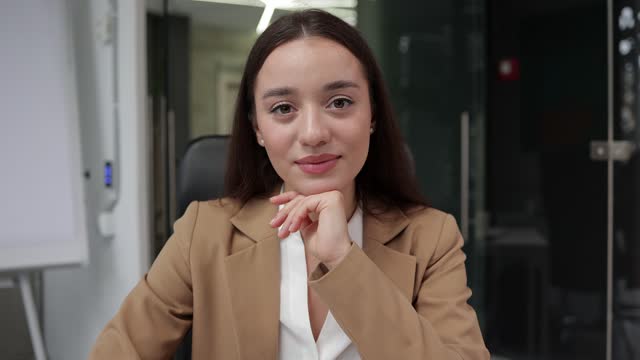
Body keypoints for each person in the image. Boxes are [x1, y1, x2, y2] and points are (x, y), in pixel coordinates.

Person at [89, 9, 489, 360]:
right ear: (257, 129)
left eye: (340, 102)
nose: (313, 133)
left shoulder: (431, 238)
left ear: (372, 116)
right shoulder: (203, 234)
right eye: (283, 109)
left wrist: (344, 262)